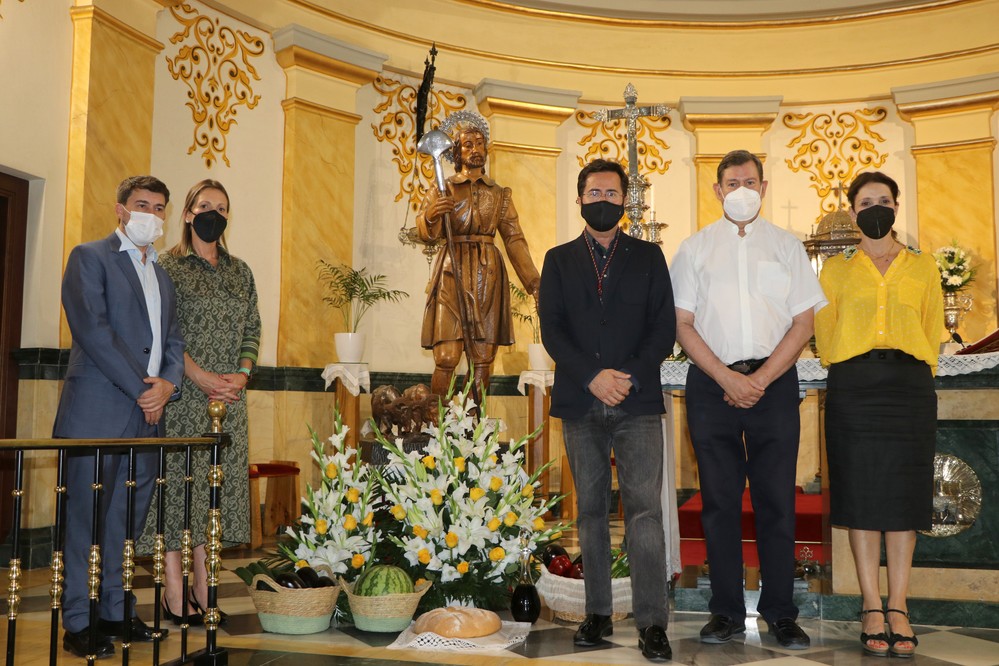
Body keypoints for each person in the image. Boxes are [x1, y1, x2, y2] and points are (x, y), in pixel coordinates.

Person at [671, 150, 826, 650]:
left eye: (750, 181)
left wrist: (759, 378)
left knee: (776, 501)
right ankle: (726, 614)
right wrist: (726, 378)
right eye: (732, 182)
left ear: (764, 188)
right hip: (711, 384)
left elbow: (804, 322)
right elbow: (682, 323)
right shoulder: (694, 249)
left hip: (774, 382)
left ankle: (781, 612)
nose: (742, 189)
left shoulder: (786, 247)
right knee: (717, 503)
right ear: (717, 191)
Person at [539, 158, 675, 662]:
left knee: (644, 513)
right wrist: (592, 377)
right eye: (593, 192)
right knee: (591, 512)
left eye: (611, 193)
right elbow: (552, 329)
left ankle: (652, 622)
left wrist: (629, 376)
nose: (603, 200)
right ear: (579, 199)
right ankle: (596, 613)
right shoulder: (557, 259)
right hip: (580, 399)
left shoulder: (648, 256)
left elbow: (662, 328)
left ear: (624, 200)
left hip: (636, 400)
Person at [54, 175, 183, 658]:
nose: (151, 213)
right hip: (98, 411)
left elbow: (173, 340)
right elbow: (93, 330)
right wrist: (143, 391)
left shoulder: (163, 275)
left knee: (126, 522)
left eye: (160, 207)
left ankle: (114, 610)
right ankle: (78, 621)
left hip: (148, 416)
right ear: (121, 209)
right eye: (142, 204)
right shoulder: (90, 257)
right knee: (84, 520)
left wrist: (168, 384)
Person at [814, 171, 942, 658]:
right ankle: (870, 604)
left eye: (883, 201)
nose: (875, 208)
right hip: (855, 386)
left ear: (896, 206)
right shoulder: (837, 269)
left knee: (904, 498)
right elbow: (825, 331)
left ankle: (899, 605)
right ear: (852, 211)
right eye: (865, 202)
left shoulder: (922, 265)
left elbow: (931, 328)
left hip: (909, 387)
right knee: (863, 495)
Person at [138, 179, 261, 626]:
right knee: (178, 493)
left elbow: (252, 328)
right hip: (182, 395)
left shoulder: (239, 270)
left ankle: (204, 588)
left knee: (215, 494)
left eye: (222, 207)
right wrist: (199, 375)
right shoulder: (168, 267)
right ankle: (173, 592)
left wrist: (241, 376)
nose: (214, 212)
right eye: (205, 205)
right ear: (188, 213)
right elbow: (162, 332)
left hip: (228, 400)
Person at [416, 112, 540, 397]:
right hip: (451, 272)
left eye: (480, 143)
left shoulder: (499, 194)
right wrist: (432, 214)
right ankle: (440, 425)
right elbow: (427, 233)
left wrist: (534, 283)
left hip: (488, 274)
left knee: (482, 361)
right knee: (446, 357)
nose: (475, 149)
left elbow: (514, 239)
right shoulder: (442, 187)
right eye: (467, 144)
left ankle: (475, 431)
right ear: (456, 153)